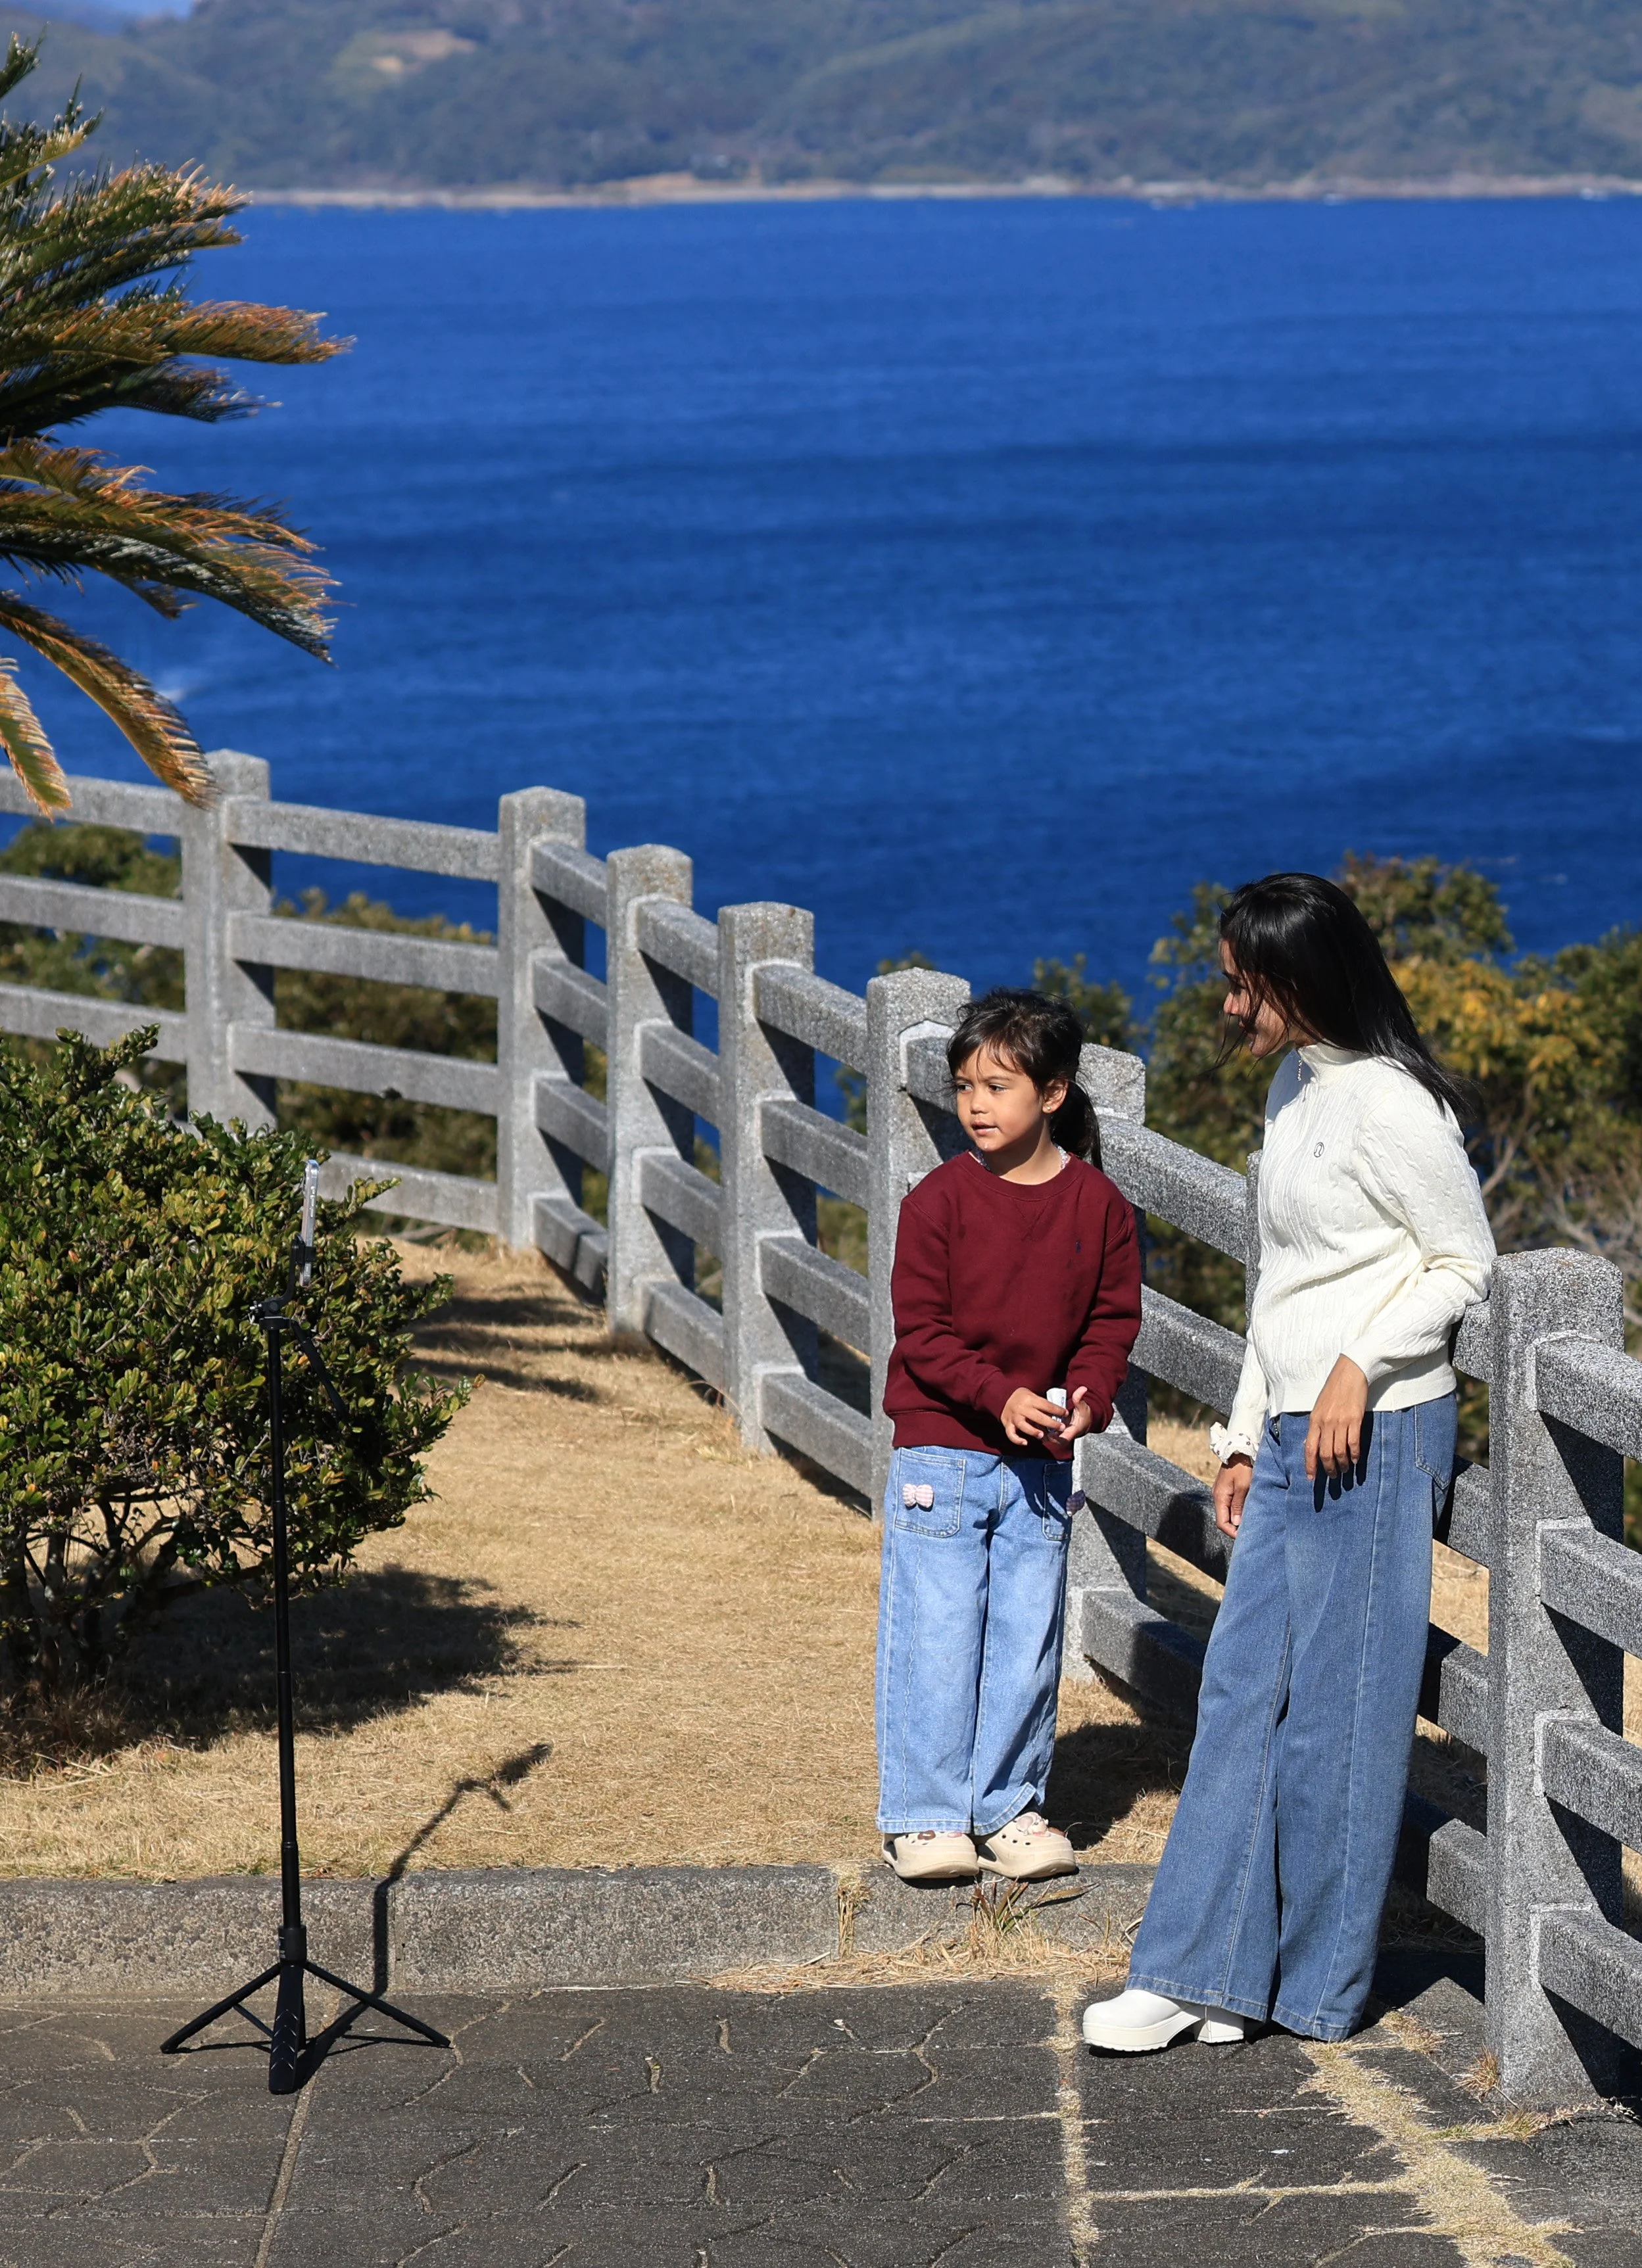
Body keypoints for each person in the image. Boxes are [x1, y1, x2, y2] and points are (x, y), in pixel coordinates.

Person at [1082, 872, 1495, 2052]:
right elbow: (1280, 1291)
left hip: (1376, 1429)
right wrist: (1240, 1431)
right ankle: (1206, 1970)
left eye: (1239, 983)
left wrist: (1362, 1366)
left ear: (1299, 981)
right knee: (1241, 1689)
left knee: (1343, 1715)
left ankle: (1306, 1989)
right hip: (1289, 1434)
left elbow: (1460, 1264)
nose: (1226, 1004)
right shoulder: (1293, 1087)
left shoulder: (1396, 1108)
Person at [877, 988, 1142, 1885]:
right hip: (941, 1450)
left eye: (997, 1085)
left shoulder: (1099, 1206)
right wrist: (1000, 1395)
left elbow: (1112, 1321)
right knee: (938, 1629)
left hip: (1041, 1457)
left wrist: (1090, 1397)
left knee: (1027, 1637)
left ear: (1055, 1090)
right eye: (964, 1086)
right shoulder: (939, 1202)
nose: (976, 1105)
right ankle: (923, 1814)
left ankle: (1009, 1808)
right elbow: (923, 1330)